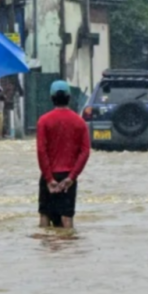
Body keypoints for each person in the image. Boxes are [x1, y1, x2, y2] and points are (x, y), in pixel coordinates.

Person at [36, 81, 91, 229]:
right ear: (69, 97)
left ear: (52, 98)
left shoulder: (43, 121)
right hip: (68, 177)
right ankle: (68, 252)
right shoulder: (79, 122)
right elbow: (85, 152)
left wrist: (48, 179)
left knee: (45, 216)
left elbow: (42, 151)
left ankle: (44, 251)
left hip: (49, 176)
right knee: (67, 218)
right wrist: (71, 178)